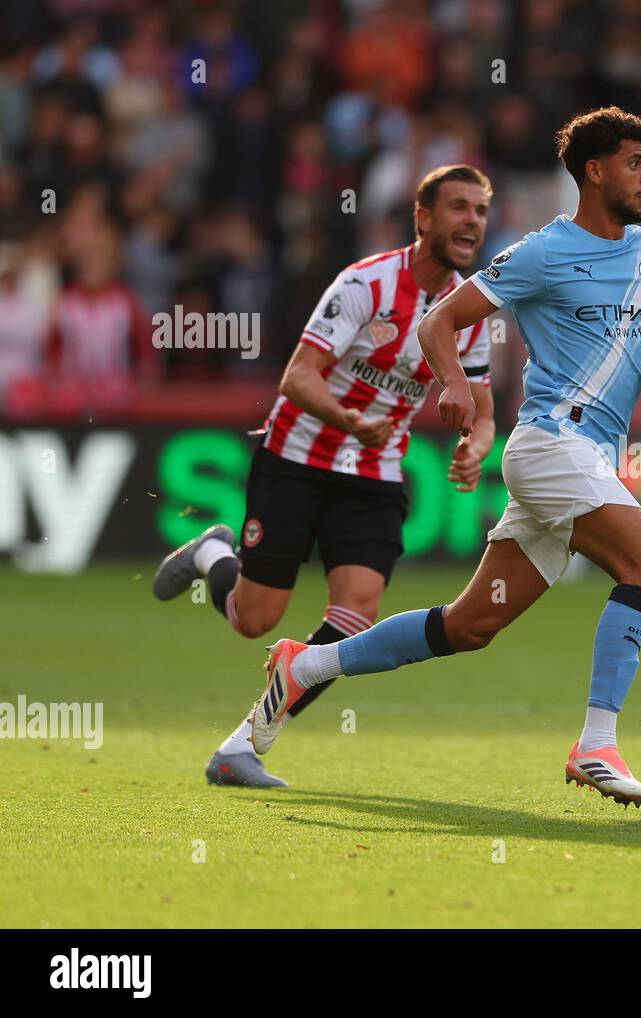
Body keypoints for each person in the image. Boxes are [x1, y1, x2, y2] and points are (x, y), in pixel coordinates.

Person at [249, 107, 641, 808]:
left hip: (587, 457)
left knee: (471, 626)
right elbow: (437, 319)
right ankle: (596, 744)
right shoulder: (539, 252)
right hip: (549, 444)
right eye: (634, 163)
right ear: (594, 172)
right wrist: (452, 385)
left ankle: (306, 664)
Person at [151, 165, 496, 787]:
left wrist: (478, 445)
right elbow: (298, 376)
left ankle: (243, 746)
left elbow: (482, 405)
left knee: (356, 614)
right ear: (423, 218)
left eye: (479, 210)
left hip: (374, 471)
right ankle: (212, 553)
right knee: (255, 618)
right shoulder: (365, 283)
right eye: (458, 207)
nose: (472, 220)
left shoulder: (470, 309)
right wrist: (347, 418)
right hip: (297, 457)